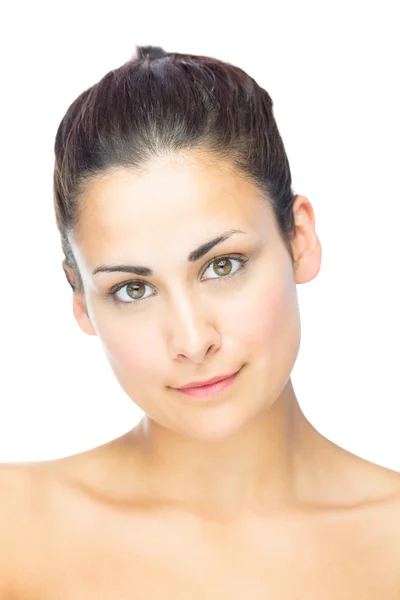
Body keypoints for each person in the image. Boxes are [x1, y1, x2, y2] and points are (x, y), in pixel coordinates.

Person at [1, 44, 400, 598]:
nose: (191, 340)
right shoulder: (14, 533)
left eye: (222, 265)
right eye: (133, 289)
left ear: (299, 240)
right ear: (80, 300)